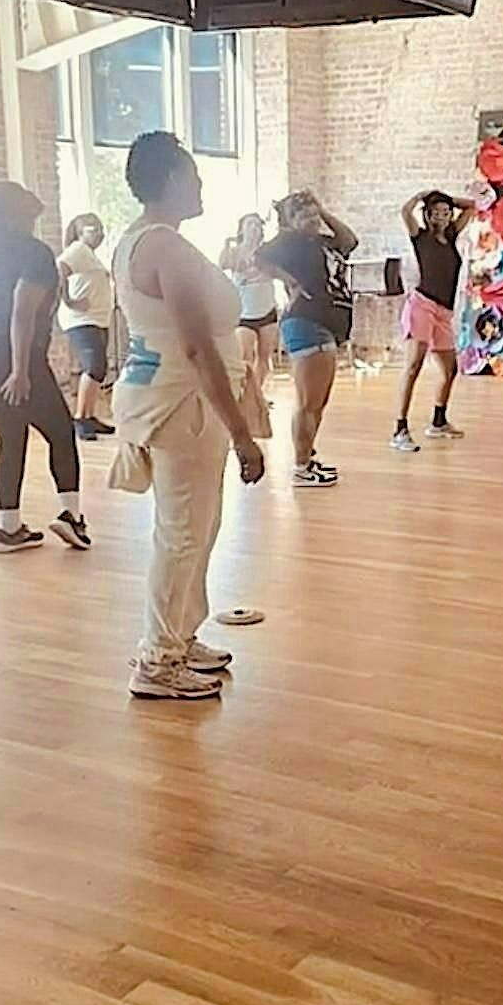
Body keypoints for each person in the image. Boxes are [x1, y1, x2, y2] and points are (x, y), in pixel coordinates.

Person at [111, 132, 265, 700]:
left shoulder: (142, 241)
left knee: (197, 525)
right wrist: (242, 433)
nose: (201, 188)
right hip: (183, 403)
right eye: (195, 177)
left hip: (176, 399)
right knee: (181, 532)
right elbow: (196, 347)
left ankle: (179, 634)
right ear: (173, 179)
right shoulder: (163, 247)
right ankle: (157, 660)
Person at [0, 181, 90, 554]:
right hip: (12, 356)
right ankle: (71, 517)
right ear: (16, 210)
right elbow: (22, 312)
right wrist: (19, 370)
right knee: (61, 431)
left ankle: (8, 529)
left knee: (11, 436)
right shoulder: (35, 252)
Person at [257, 190, 358, 488]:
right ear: (290, 221)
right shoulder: (289, 241)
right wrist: (289, 282)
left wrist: (322, 211)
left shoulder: (321, 242)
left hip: (325, 322)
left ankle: (308, 457)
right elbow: (258, 258)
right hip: (306, 321)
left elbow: (349, 240)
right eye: (303, 214)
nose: (310, 218)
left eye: (313, 212)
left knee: (318, 402)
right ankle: (301, 467)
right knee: (308, 402)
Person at [391, 189, 474, 452]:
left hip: (443, 313)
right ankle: (400, 429)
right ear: (427, 215)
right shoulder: (421, 237)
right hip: (422, 306)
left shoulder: (451, 237)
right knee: (413, 367)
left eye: (446, 212)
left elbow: (471, 206)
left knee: (450, 369)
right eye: (436, 212)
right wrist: (422, 196)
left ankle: (438, 421)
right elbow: (405, 211)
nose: (442, 216)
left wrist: (446, 199)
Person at [57, 212, 116, 442]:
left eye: (101, 229)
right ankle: (80, 418)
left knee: (99, 369)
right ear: (80, 232)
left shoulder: (90, 255)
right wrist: (69, 300)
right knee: (94, 366)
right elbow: (60, 268)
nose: (99, 234)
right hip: (82, 320)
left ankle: (89, 416)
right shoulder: (77, 250)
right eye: (93, 230)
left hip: (98, 319)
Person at [219, 213, 278, 395]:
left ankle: (257, 394)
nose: (254, 228)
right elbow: (222, 264)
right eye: (249, 224)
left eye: (257, 225)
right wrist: (227, 244)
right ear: (242, 229)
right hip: (244, 312)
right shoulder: (234, 252)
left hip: (267, 308)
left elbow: (278, 271)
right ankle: (244, 393)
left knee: (264, 355)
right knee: (245, 356)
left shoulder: (268, 251)